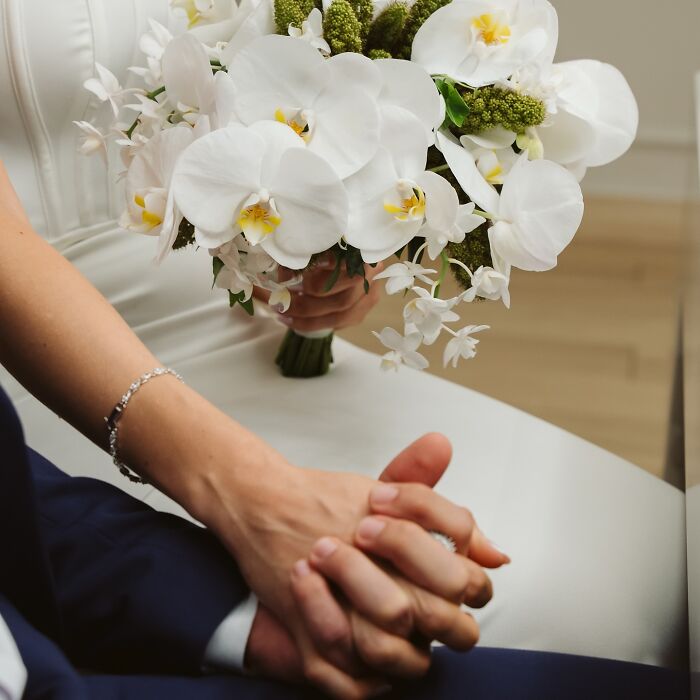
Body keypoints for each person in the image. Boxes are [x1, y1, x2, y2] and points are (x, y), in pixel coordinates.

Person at [0, 0, 689, 694]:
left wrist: (349, 244)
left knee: (657, 562)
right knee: (509, 606)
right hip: (45, 365)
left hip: (219, 273)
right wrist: (250, 492)